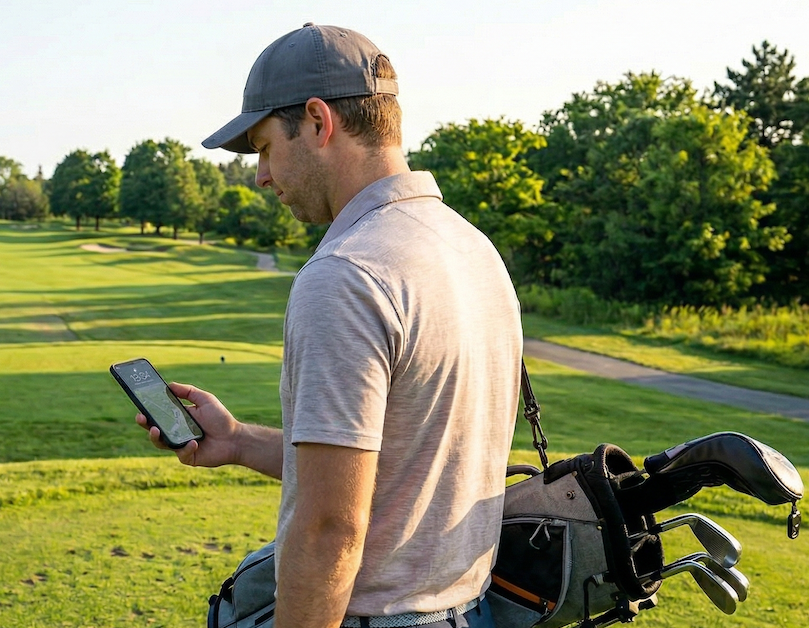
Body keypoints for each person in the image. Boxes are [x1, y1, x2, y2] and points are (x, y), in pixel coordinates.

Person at [135, 23, 522, 628]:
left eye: (264, 147)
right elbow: (394, 473)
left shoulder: (346, 274)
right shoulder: (473, 248)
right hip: (469, 611)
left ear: (318, 121)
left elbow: (328, 530)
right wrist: (237, 441)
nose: (261, 176)